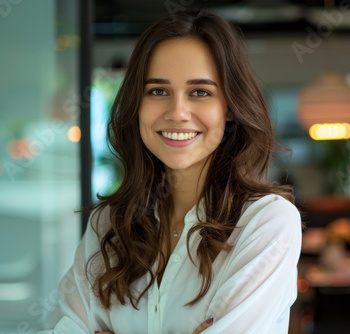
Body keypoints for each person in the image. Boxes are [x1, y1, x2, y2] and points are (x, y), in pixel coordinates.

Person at [41, 10, 301, 334]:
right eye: (158, 91)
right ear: (137, 105)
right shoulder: (108, 224)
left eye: (200, 92)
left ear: (230, 108)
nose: (177, 112)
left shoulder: (266, 223)